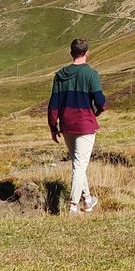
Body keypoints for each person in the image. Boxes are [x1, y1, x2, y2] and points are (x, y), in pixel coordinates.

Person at [48, 38, 107, 215]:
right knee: (80, 166)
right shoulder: (91, 74)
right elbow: (100, 101)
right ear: (87, 52)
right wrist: (98, 111)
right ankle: (73, 206)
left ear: (71, 53)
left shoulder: (60, 75)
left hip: (66, 125)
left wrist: (53, 126)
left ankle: (88, 200)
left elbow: (53, 104)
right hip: (84, 124)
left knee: (77, 163)